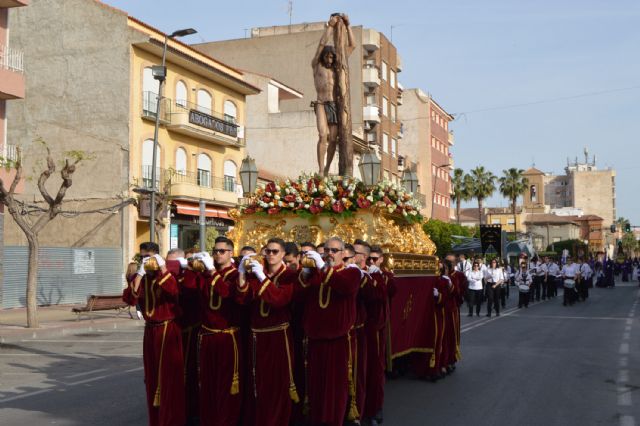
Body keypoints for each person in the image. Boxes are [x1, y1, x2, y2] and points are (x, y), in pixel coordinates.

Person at [298, 237, 361, 426]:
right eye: (327, 250)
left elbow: (345, 287)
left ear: (343, 253)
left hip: (338, 341)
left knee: (335, 389)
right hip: (316, 340)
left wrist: (323, 269)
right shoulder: (317, 274)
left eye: (334, 250)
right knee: (316, 387)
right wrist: (304, 274)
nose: (330, 254)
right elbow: (299, 296)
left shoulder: (351, 273)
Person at [122, 242, 185, 426]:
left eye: (148, 257)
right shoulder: (140, 277)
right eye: (142, 257)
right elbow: (130, 299)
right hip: (150, 331)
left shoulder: (168, 273)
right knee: (151, 378)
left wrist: (162, 268)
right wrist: (140, 274)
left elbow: (174, 291)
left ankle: (172, 420)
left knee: (169, 378)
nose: (145, 261)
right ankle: (156, 420)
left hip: (167, 329)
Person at [238, 238, 298, 426]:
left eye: (275, 251)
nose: (270, 255)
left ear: (282, 255)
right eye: (267, 251)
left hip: (278, 336)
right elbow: (242, 300)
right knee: (257, 383)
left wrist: (262, 278)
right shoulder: (256, 274)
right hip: (256, 336)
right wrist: (241, 274)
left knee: (278, 384)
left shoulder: (289, 276)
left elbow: (279, 300)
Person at [197, 237, 242, 426]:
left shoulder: (235, 274)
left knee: (226, 385)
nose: (217, 254)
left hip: (227, 336)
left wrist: (212, 272)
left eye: (222, 251)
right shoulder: (208, 273)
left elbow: (228, 294)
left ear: (231, 253)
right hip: (208, 334)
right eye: (215, 251)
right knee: (207, 384)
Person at [311, 14, 354, 176]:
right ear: (323, 56)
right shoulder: (316, 66)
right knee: (323, 135)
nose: (329, 58)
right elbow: (322, 44)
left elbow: (352, 46)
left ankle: (328, 168)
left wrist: (348, 26)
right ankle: (321, 169)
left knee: (333, 139)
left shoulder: (338, 68)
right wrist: (330, 26)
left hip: (335, 105)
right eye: (327, 56)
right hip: (321, 102)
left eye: (332, 56)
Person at [166, 248, 200, 426]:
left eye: (174, 264)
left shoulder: (189, 277)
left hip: (189, 331)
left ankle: (190, 412)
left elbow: (188, 292)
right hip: (172, 331)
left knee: (189, 374)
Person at [363, 246, 394, 426]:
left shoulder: (385, 276)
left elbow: (389, 292)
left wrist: (377, 276)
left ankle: (375, 408)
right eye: (369, 259)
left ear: (381, 259)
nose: (371, 262)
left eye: (375, 259)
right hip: (355, 329)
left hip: (375, 327)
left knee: (374, 369)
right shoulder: (357, 272)